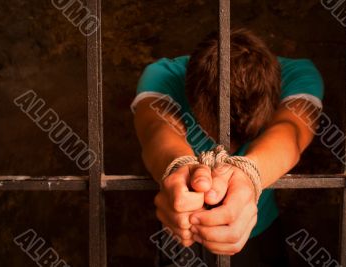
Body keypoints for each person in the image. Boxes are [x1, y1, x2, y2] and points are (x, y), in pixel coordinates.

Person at [131, 28, 323, 266]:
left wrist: (249, 172)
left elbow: (290, 131)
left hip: (258, 225)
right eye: (214, 131)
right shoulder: (163, 75)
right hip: (183, 226)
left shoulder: (298, 74)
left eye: (239, 141)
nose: (228, 150)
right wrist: (178, 166)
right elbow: (157, 129)